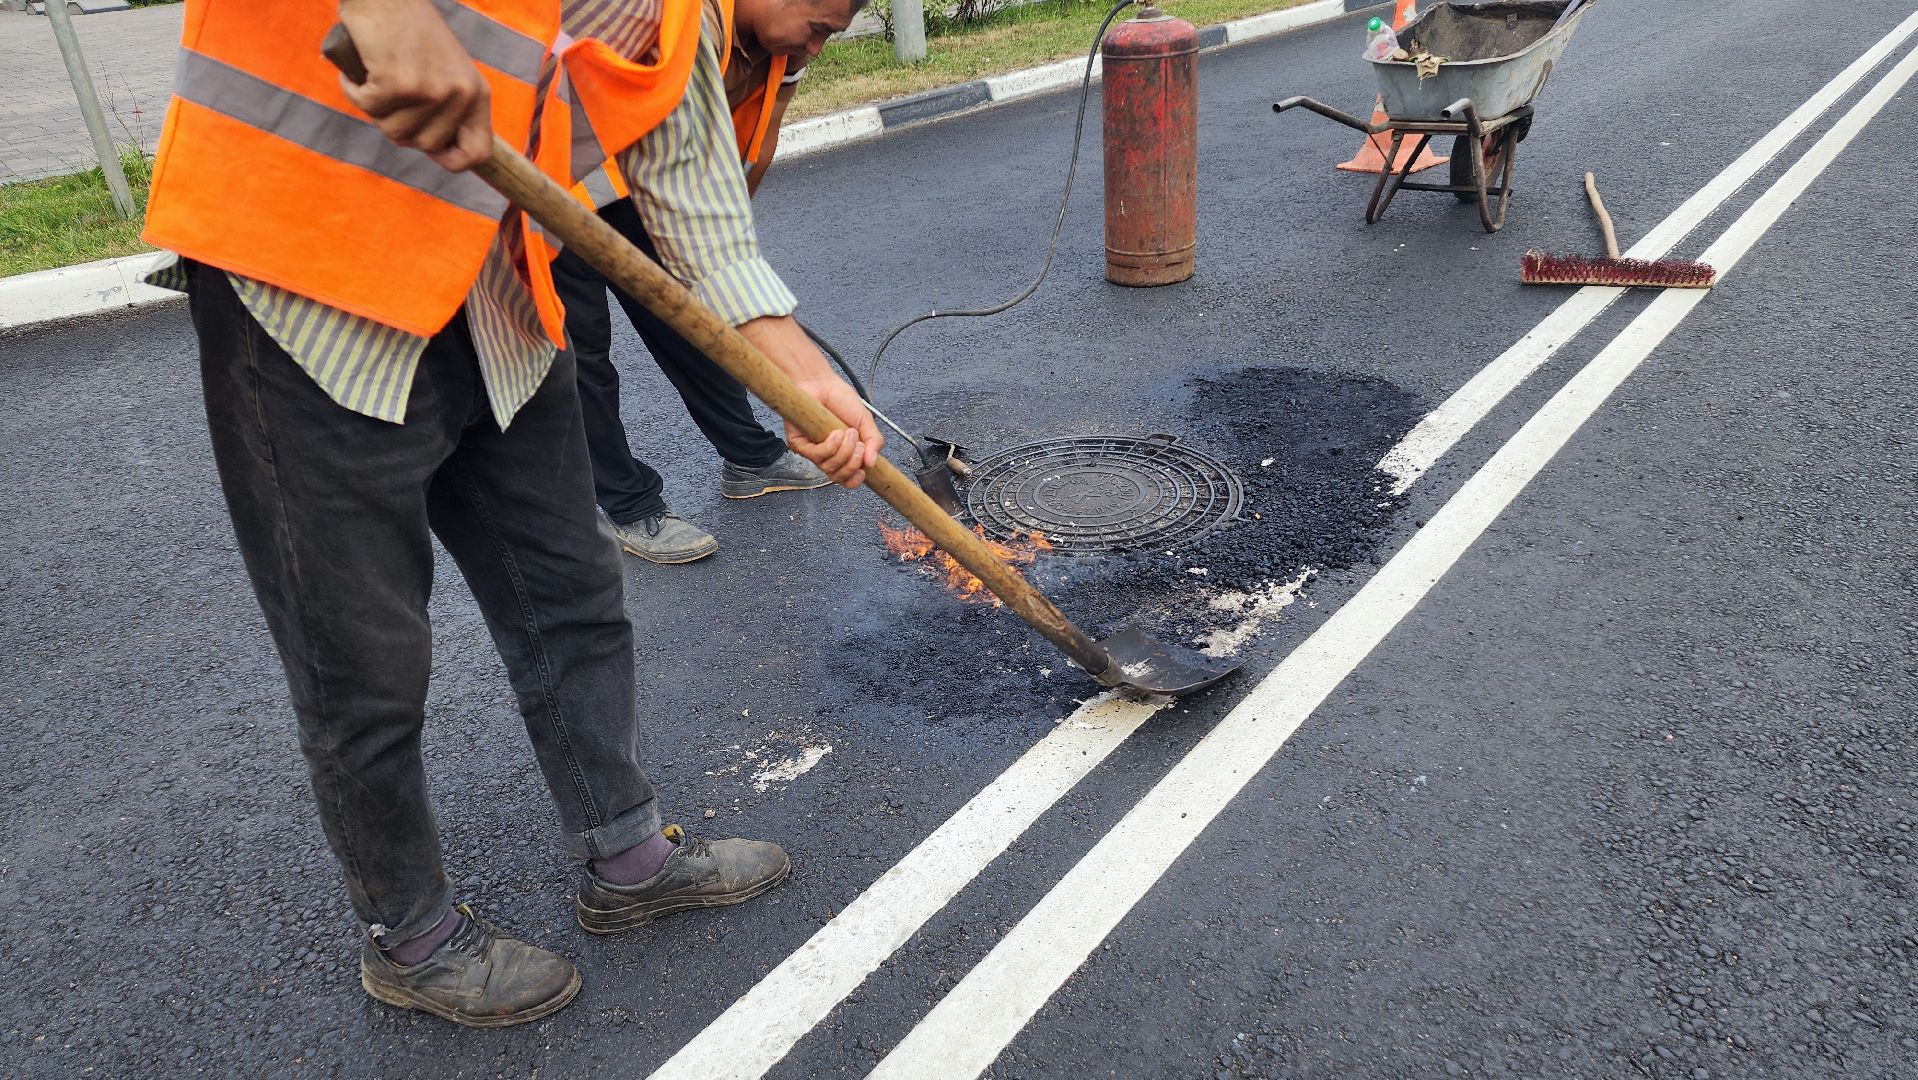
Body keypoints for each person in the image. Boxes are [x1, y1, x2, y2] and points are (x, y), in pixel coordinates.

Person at [139, 0, 880, 1027]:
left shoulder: (684, 20)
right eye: (822, 20)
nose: (810, 46)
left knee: (574, 595)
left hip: (500, 296)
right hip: (309, 277)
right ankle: (411, 939)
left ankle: (626, 859)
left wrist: (798, 371)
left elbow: (691, 191)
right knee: (361, 663)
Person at [552, 0, 868, 564]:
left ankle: (749, 456)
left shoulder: (779, 50)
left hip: (650, 187)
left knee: (695, 325)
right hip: (556, 193)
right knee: (582, 355)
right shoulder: (675, 15)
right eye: (818, 29)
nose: (817, 47)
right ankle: (629, 505)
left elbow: (755, 144)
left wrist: (730, 264)